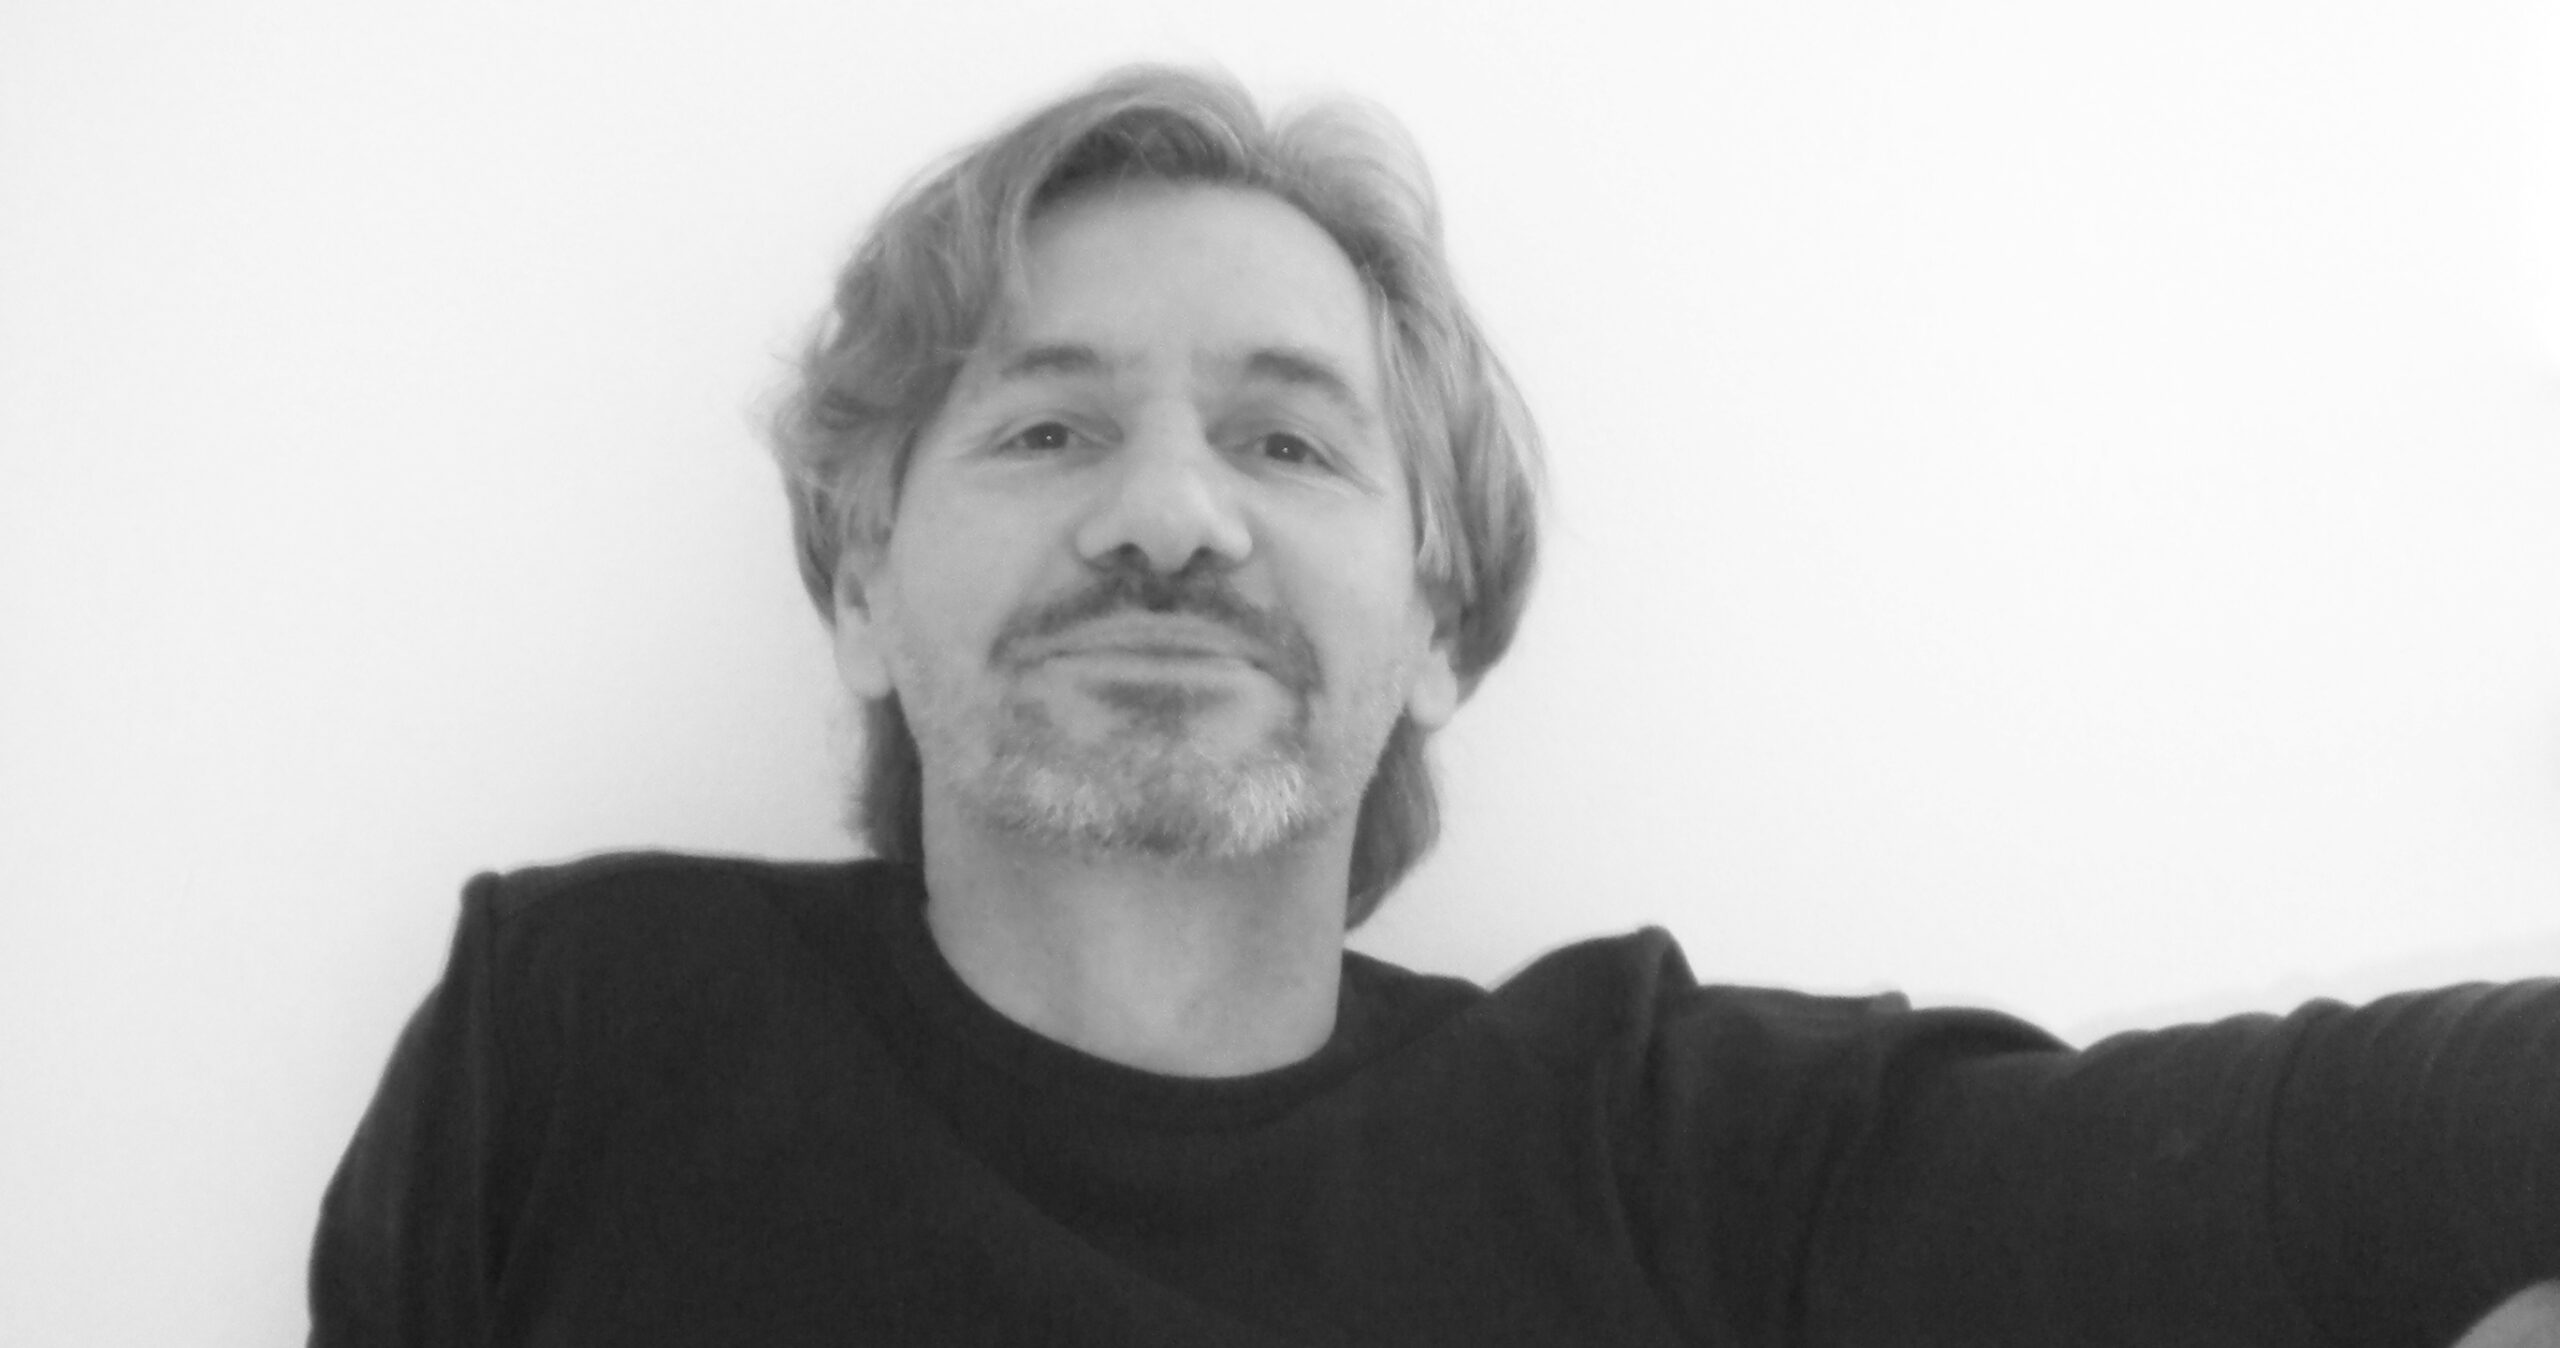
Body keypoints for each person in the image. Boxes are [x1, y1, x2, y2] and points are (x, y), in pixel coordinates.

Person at [307, 66, 2559, 1347]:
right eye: (1046, 426)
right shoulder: (575, 1033)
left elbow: (2392, 1150)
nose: (1167, 515)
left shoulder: (1672, 1151)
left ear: (1444, 625)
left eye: (1287, 440)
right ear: (863, 594)